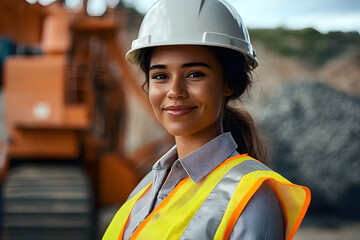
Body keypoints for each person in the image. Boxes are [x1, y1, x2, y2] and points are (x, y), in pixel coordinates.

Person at [103, 0, 311, 239]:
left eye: (194, 74)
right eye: (160, 76)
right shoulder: (147, 187)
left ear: (229, 83)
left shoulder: (251, 200)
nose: (174, 91)